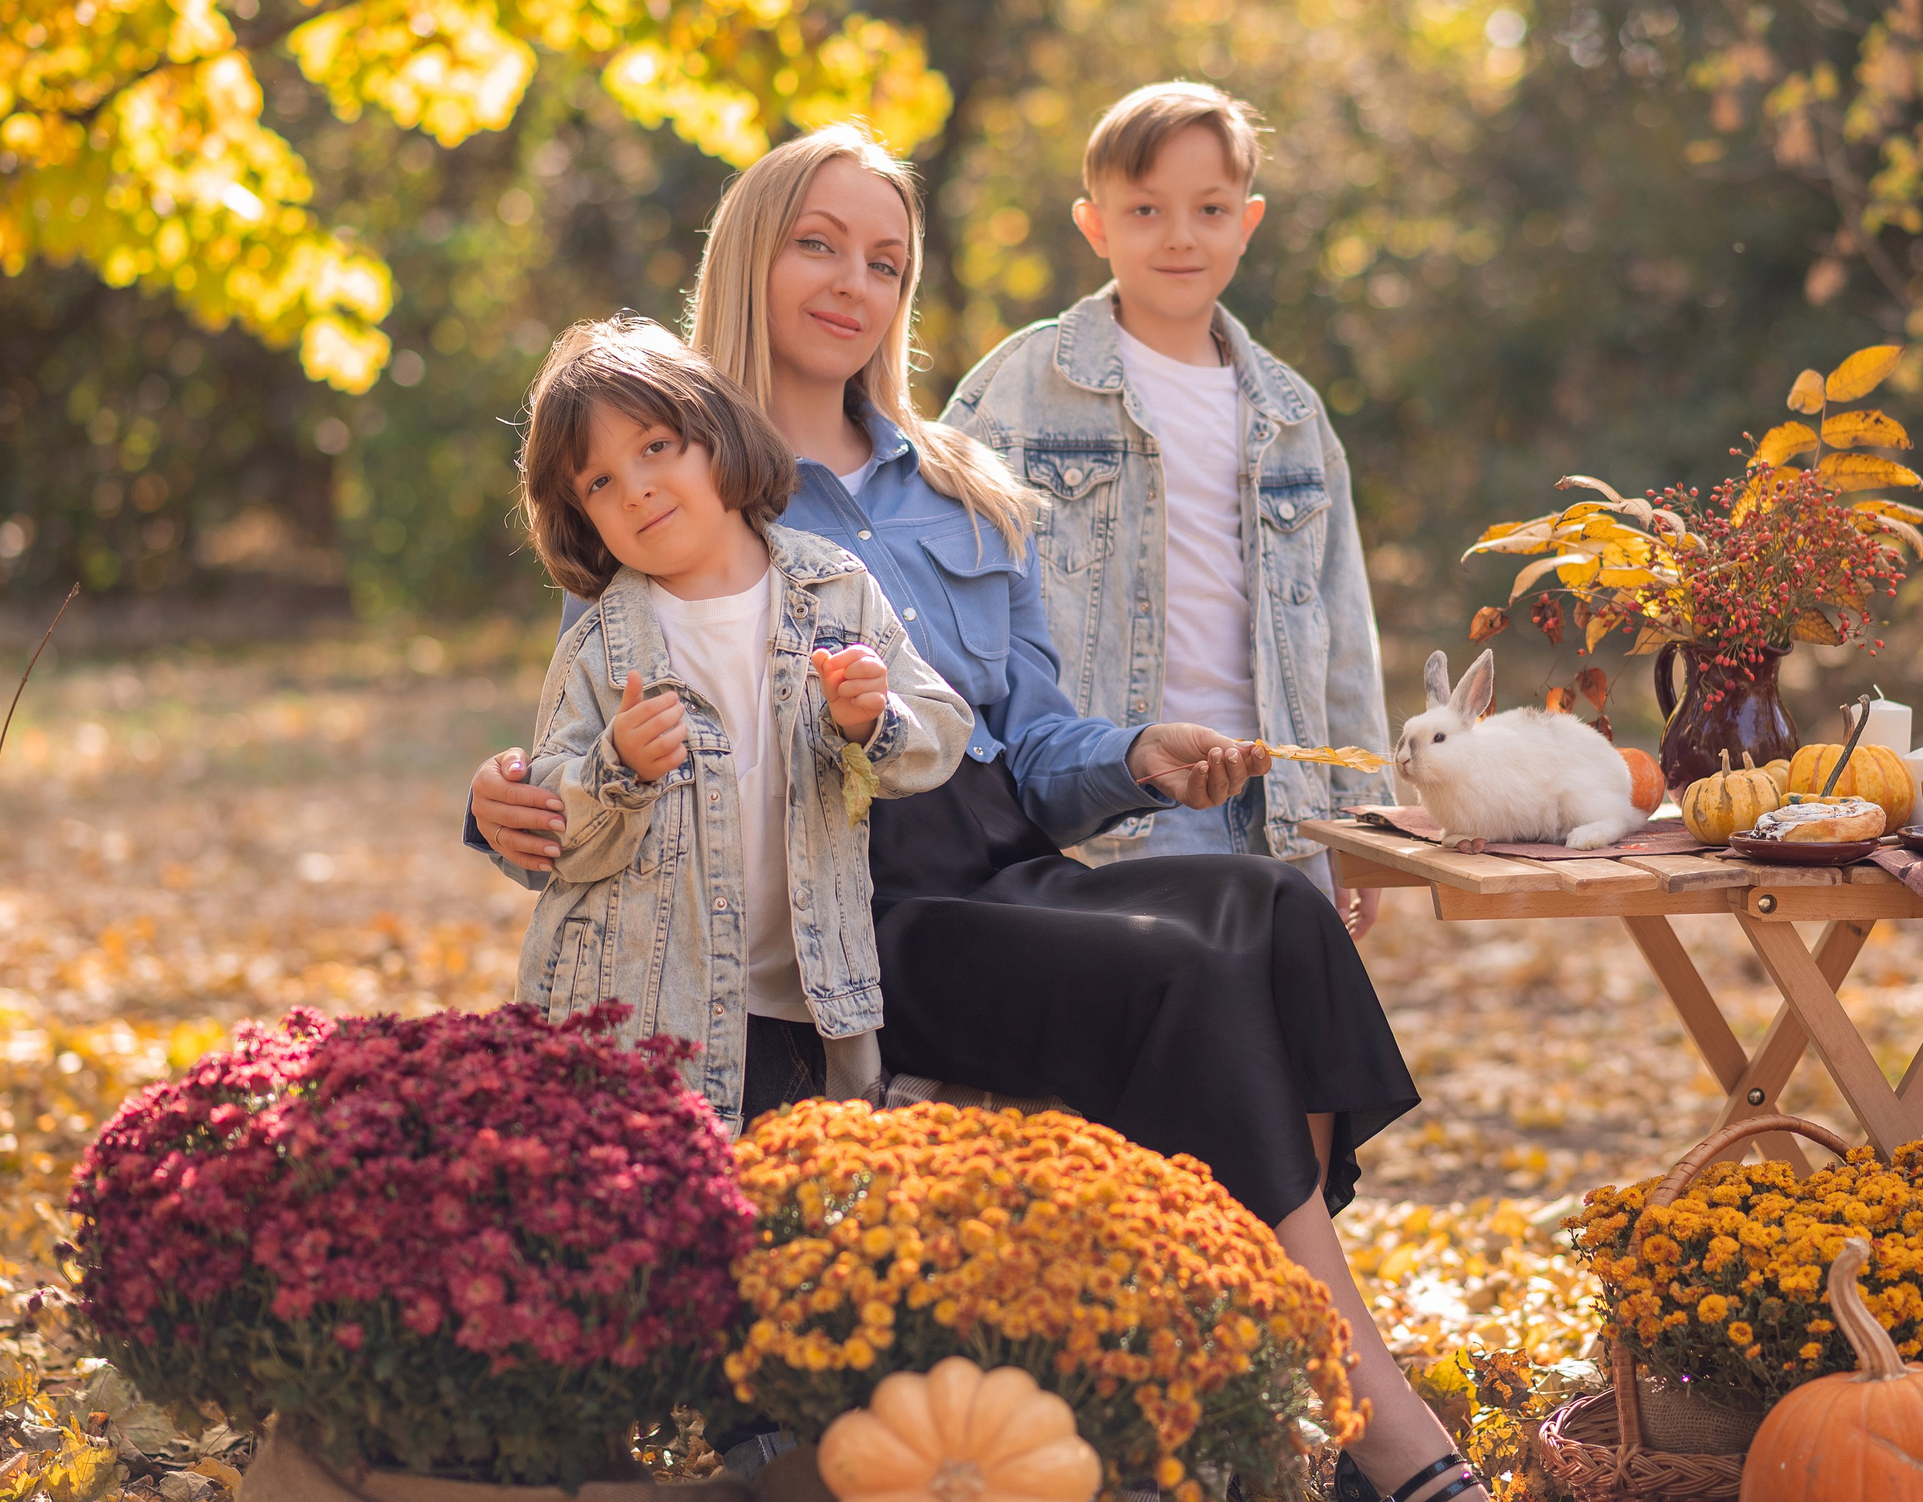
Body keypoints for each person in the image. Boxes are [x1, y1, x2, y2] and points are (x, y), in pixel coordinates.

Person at [470, 125, 1487, 1502]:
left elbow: (1036, 739)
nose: (855, 282)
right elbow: (594, 719)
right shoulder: (673, 475)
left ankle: (1275, 1347)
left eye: (886, 261)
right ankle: (1366, 1411)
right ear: (750, 256)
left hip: (1004, 852)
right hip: (860, 905)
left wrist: (1139, 754)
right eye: (818, 244)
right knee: (1182, 971)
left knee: (1271, 913)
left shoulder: (960, 482)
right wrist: (497, 802)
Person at [942, 82, 1393, 937]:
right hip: (1108, 814)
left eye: (1210, 209)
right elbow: (946, 598)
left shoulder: (1291, 413)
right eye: (1146, 209)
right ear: (1096, 225)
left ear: (1247, 223)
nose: (1181, 235)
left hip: (1282, 806)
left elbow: (1341, 629)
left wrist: (1362, 823)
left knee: (1274, 1020)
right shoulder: (1020, 388)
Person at [500, 314, 971, 1129]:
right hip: (642, 1021)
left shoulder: (835, 590)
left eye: (655, 447)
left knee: (802, 1202)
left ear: (716, 434)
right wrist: (616, 768)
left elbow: (939, 730)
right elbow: (550, 837)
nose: (635, 488)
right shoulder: (601, 648)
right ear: (581, 516)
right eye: (599, 482)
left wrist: (870, 719)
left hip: (810, 1007)